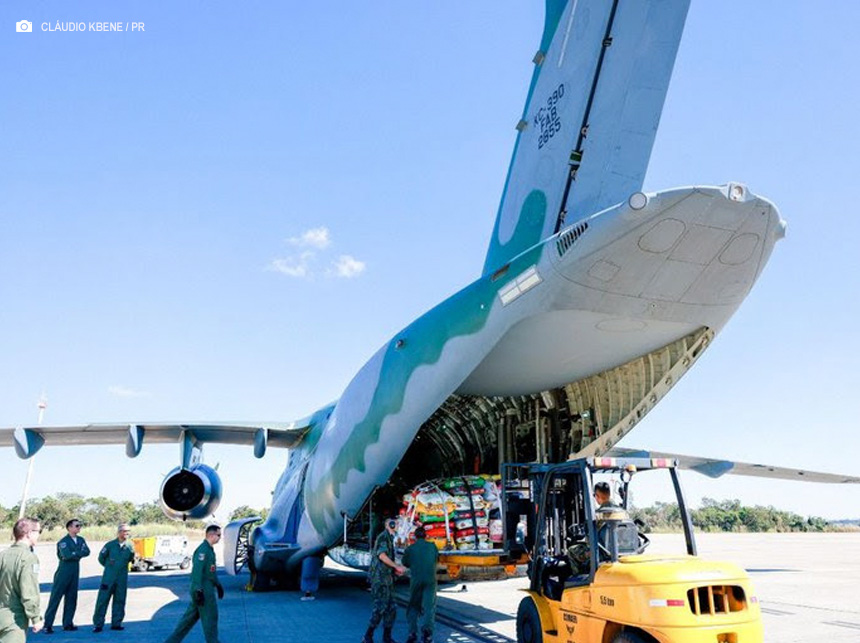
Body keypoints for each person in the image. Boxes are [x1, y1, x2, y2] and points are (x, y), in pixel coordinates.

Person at [164, 524, 224, 643]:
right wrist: (198, 590)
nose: (220, 537)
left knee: (188, 620)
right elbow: (197, 571)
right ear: (211, 535)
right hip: (203, 589)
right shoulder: (203, 550)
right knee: (210, 618)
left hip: (205, 587)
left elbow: (210, 571)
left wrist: (218, 585)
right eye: (218, 535)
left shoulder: (209, 550)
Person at [361, 518, 406, 643]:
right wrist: (396, 566)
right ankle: (367, 636)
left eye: (397, 523)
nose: (397, 525)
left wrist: (395, 571)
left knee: (391, 608)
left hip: (387, 579)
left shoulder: (390, 538)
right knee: (380, 608)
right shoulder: (383, 537)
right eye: (395, 523)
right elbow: (382, 555)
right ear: (389, 525)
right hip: (380, 580)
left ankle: (387, 637)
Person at [43, 518, 90, 634]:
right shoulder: (63, 542)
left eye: (79, 526)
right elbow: (67, 555)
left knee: (71, 598)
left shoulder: (81, 540)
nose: (79, 528)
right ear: (69, 528)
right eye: (77, 526)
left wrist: (75, 553)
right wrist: (78, 553)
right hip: (63, 572)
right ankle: (48, 625)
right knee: (55, 598)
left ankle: (68, 623)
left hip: (75, 571)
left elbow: (87, 552)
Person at [0, 517, 44, 641]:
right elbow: (29, 591)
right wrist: (36, 617)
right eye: (38, 532)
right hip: (14, 618)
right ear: (29, 533)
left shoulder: (2, 555)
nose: (39, 536)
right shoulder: (28, 558)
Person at [92, 523, 135, 633]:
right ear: (119, 532)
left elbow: (130, 558)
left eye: (128, 531)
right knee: (102, 600)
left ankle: (116, 623)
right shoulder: (110, 545)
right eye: (124, 531)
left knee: (120, 600)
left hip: (122, 578)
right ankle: (98, 624)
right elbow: (101, 558)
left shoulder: (130, 546)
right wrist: (110, 567)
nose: (127, 534)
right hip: (108, 578)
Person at [401, 527, 438, 643]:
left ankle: (412, 633)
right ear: (426, 536)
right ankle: (427, 633)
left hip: (416, 580)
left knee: (413, 606)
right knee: (429, 607)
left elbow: (404, 563)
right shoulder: (433, 547)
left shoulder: (410, 549)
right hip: (430, 580)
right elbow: (436, 558)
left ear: (415, 537)